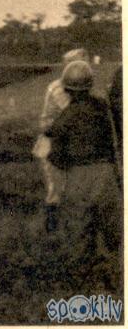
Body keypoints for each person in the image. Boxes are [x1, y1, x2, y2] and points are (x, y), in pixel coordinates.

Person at [45, 60, 120, 258]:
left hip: (77, 177)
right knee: (116, 233)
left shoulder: (65, 117)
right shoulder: (104, 107)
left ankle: (84, 277)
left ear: (66, 90)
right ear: (90, 84)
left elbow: (56, 157)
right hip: (106, 173)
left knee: (78, 235)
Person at [33, 48, 89, 232]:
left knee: (70, 187)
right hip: (51, 143)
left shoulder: (73, 87)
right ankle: (53, 232)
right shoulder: (60, 88)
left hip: (63, 141)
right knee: (56, 188)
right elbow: (73, 113)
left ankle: (67, 229)